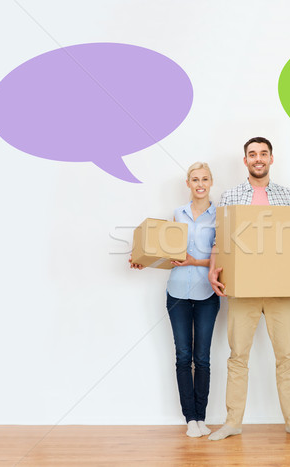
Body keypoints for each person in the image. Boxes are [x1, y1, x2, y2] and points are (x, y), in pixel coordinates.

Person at [207, 137, 290, 441]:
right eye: (252, 154)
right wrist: (212, 270)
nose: (258, 158)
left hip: (280, 288)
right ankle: (232, 422)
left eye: (263, 154)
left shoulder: (287, 196)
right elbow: (220, 239)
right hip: (242, 288)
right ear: (245, 161)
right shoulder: (231, 196)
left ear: (271, 159)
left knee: (285, 355)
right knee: (237, 354)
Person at [130, 162, 219, 438]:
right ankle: (190, 418)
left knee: (202, 358)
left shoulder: (221, 216)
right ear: (188, 183)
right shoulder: (177, 215)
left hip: (207, 294)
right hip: (177, 293)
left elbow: (224, 257)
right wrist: (144, 260)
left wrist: (196, 261)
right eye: (195, 179)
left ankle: (202, 417)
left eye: (204, 179)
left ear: (211, 182)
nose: (200, 183)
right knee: (183, 356)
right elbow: (167, 250)